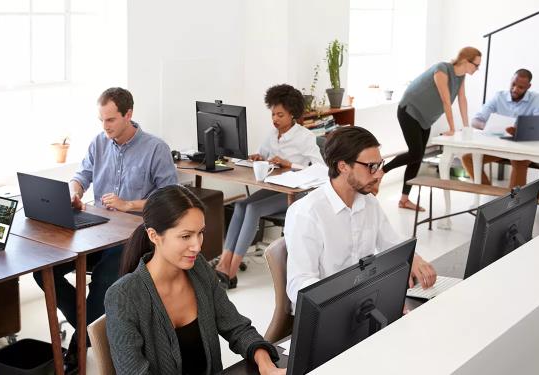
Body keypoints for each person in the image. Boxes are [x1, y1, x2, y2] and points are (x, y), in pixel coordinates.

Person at [33, 87, 178, 371]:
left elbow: (170, 198)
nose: (105, 126)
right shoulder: (98, 143)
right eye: (101, 120)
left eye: (110, 120)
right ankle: (89, 328)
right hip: (97, 229)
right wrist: (74, 192)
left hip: (135, 235)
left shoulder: (154, 148)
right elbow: (81, 176)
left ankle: (81, 342)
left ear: (128, 115)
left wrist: (129, 204)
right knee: (44, 270)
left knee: (105, 275)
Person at [105, 185, 284, 375]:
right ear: (154, 236)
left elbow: (237, 328)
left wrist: (265, 364)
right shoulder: (123, 296)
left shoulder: (199, 269)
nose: (197, 246)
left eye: (200, 233)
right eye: (186, 236)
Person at [285, 126, 437, 313]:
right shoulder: (307, 213)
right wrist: (350, 302)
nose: (380, 174)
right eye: (371, 167)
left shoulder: (368, 203)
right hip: (329, 313)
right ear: (343, 166)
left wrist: (414, 259)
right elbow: (299, 285)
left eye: (380, 165)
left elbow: (391, 243)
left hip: (364, 304)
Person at [214, 84, 324, 289]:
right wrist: (258, 157)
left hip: (295, 193)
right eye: (273, 114)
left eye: (280, 115)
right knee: (240, 206)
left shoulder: (305, 137)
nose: (275, 119)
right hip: (275, 188)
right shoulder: (272, 134)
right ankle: (222, 263)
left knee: (254, 208)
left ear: (292, 114)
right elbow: (263, 154)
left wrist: (291, 164)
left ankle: (231, 272)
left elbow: (321, 168)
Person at [381, 47, 481, 211]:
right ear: (465, 60)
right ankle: (382, 171)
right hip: (409, 110)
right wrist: (452, 128)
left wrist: (466, 127)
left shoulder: (461, 77)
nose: (477, 69)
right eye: (476, 65)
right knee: (415, 153)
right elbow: (446, 100)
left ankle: (404, 200)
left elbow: (462, 100)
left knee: (417, 157)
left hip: (425, 118)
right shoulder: (442, 70)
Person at [462, 69, 539, 187]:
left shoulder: (537, 99)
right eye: (513, 84)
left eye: (520, 87)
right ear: (510, 80)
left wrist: (520, 130)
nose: (515, 89)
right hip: (500, 147)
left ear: (528, 86)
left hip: (523, 147)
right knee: (468, 158)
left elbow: (538, 126)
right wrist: (489, 127)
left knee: (518, 160)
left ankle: (514, 203)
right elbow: (475, 121)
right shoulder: (499, 97)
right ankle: (489, 193)